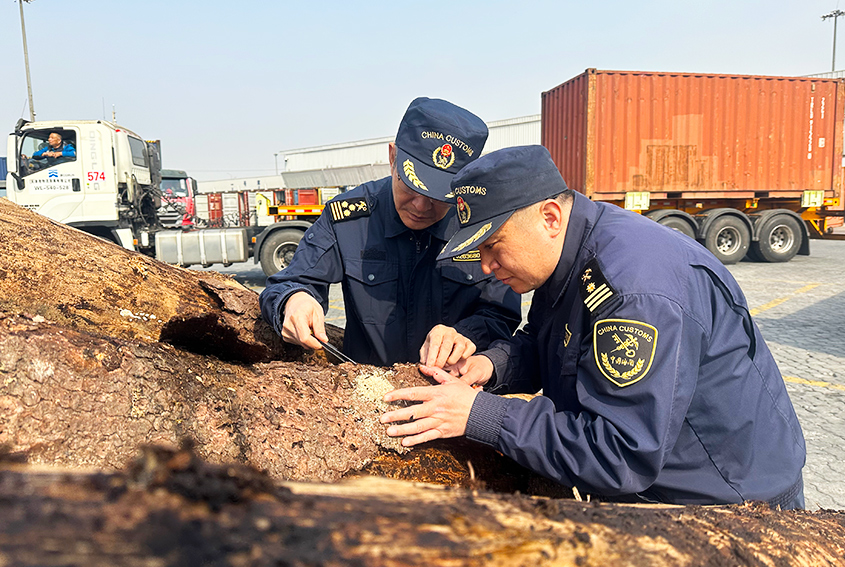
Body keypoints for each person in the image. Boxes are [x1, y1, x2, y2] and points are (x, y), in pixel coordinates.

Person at [380, 145, 807, 509]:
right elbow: (553, 340)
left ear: (549, 216)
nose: (487, 267)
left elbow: (620, 453)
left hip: (727, 499)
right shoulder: (572, 248)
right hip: (673, 481)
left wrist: (481, 415)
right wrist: (492, 366)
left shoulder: (633, 293)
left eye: (493, 245)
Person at [259, 98, 521, 367]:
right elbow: (288, 283)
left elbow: (502, 314)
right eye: (410, 186)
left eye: (437, 196)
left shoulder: (482, 225)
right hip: (366, 393)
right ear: (393, 157)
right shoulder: (350, 218)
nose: (420, 206)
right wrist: (294, 300)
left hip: (451, 395)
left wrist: (465, 335)